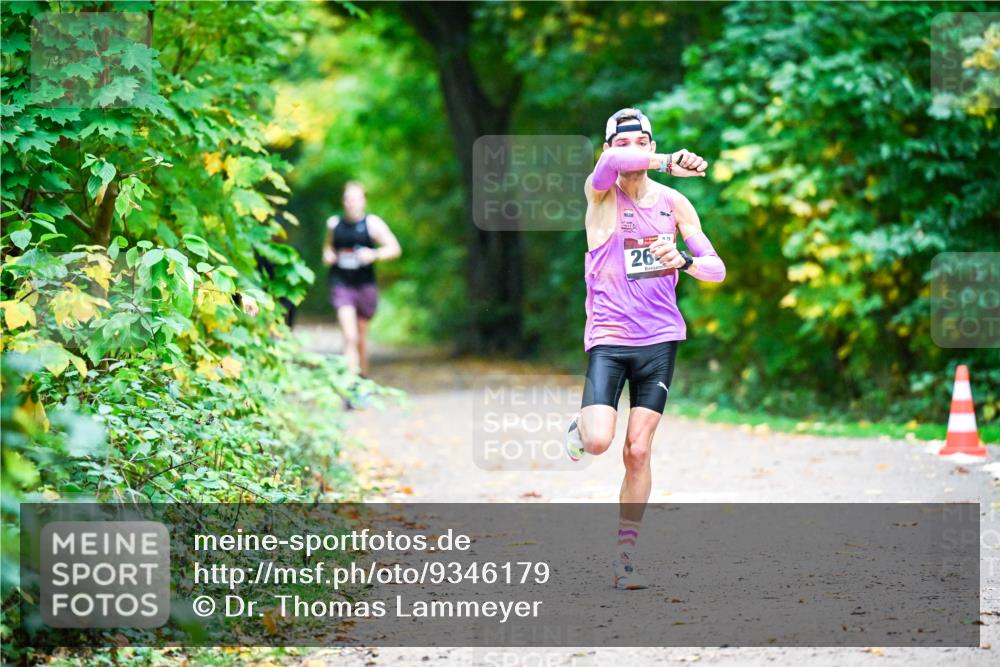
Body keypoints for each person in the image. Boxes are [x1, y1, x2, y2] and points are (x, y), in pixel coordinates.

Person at [565, 108, 725, 590]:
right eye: (625, 141)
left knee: (638, 450)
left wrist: (685, 261)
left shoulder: (675, 204)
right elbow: (612, 163)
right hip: (611, 338)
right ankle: (580, 425)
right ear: (611, 147)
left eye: (644, 140)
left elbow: (715, 268)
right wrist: (664, 159)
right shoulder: (600, 196)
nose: (634, 148)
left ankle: (625, 555)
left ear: (652, 140)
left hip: (659, 339)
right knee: (598, 441)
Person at [322, 181, 401, 378]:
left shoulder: (372, 224)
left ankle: (362, 381)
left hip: (364, 286)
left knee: (360, 339)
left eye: (356, 198)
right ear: (343, 201)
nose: (351, 203)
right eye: (348, 198)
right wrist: (328, 255)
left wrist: (373, 255)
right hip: (341, 284)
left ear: (363, 201)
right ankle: (350, 387)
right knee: (350, 336)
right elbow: (328, 247)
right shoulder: (334, 224)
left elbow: (394, 249)